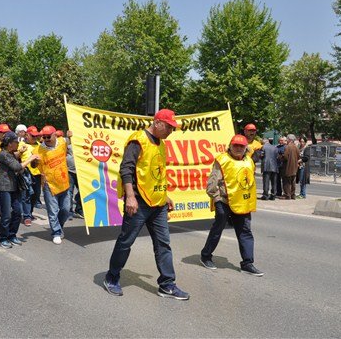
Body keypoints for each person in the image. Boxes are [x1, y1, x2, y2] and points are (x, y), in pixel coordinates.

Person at [103, 109, 189, 300]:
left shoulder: (161, 144)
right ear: (157, 123)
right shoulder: (138, 140)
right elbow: (127, 168)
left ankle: (167, 284)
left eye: (173, 129)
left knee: (163, 244)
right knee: (126, 241)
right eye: (169, 127)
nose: (170, 132)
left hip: (157, 204)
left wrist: (165, 196)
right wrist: (130, 196)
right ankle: (112, 277)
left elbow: (155, 173)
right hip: (139, 203)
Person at [200, 134, 264, 277]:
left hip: (242, 202)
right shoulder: (222, 160)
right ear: (230, 146)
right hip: (224, 201)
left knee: (245, 232)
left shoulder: (249, 161)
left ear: (246, 148)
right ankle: (206, 255)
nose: (238, 148)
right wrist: (217, 199)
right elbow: (212, 184)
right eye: (236, 145)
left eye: (241, 146)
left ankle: (247, 263)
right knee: (218, 229)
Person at [0, 131, 39, 248]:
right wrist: (30, 158)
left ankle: (12, 235)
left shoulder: (11, 154)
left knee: (17, 212)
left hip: (15, 187)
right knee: (6, 215)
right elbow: (17, 167)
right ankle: (3, 238)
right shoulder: (3, 154)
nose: (17, 145)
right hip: (4, 188)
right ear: (9, 144)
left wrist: (28, 156)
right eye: (16, 142)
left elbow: (18, 163)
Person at [32, 125, 72, 245]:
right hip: (49, 185)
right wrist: (34, 161)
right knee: (53, 211)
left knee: (66, 209)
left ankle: (59, 226)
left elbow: (70, 140)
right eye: (44, 137)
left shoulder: (62, 142)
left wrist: (71, 135)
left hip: (64, 183)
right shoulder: (38, 150)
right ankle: (56, 232)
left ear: (55, 135)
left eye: (48, 136)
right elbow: (34, 166)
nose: (46, 139)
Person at [282, 134, 300, 200]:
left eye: (287, 139)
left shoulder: (288, 147)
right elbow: (298, 156)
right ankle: (293, 195)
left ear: (289, 140)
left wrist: (281, 157)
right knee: (293, 182)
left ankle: (288, 195)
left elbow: (285, 157)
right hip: (295, 167)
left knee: (287, 182)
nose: (286, 140)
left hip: (288, 167)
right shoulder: (296, 147)